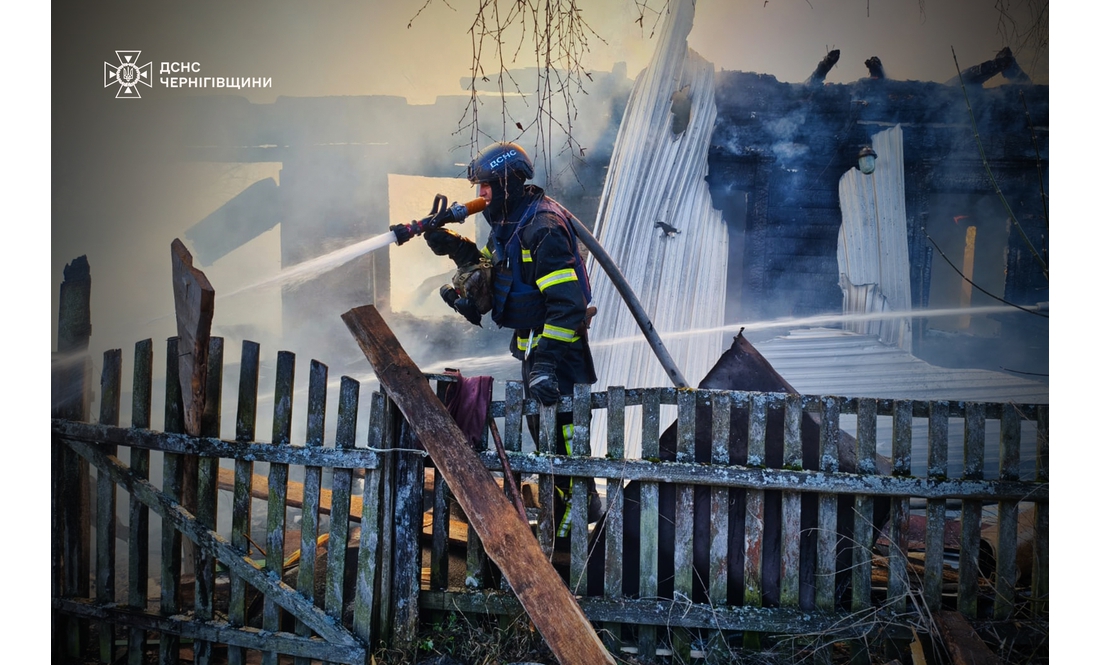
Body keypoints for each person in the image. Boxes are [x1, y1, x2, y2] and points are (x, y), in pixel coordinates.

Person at [423, 141, 601, 536]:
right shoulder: (509, 224)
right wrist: (451, 245)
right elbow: (491, 271)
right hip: (536, 352)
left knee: (565, 442)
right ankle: (562, 521)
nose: (480, 194)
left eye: (486, 186)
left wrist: (546, 363)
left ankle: (571, 530)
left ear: (507, 184)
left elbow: (568, 304)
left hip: (561, 355)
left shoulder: (543, 228)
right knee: (547, 440)